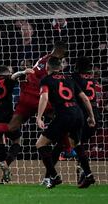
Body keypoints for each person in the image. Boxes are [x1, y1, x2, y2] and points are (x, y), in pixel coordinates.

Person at [0, 41, 67, 152]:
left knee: (11, 127)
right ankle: (68, 149)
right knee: (63, 117)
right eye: (64, 55)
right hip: (36, 96)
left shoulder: (42, 59)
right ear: (60, 51)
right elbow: (42, 81)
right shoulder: (50, 63)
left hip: (23, 97)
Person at [36, 57, 96, 189]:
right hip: (78, 114)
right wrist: (91, 117)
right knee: (77, 144)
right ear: (60, 67)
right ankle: (88, 175)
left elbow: (44, 97)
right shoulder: (70, 78)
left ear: (48, 67)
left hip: (64, 115)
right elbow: (85, 99)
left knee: (40, 144)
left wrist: (39, 117)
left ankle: (53, 176)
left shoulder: (46, 80)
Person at [72, 56, 100, 184]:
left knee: (76, 142)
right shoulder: (92, 79)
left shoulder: (75, 77)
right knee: (80, 143)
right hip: (95, 113)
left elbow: (81, 97)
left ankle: (84, 171)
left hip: (84, 113)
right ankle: (83, 171)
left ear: (77, 66)